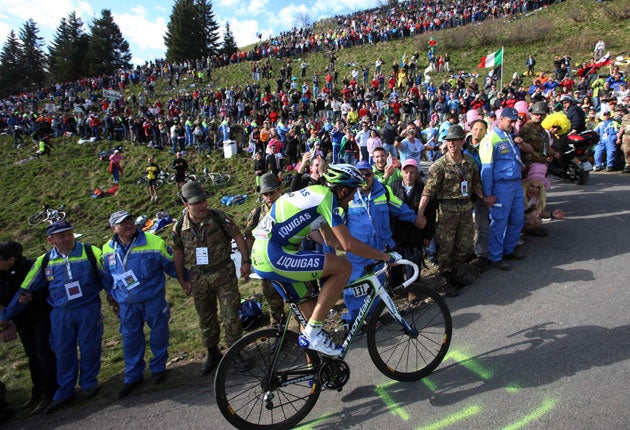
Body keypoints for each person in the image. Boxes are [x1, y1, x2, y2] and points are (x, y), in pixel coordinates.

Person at [250, 164, 412, 356]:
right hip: (274, 254)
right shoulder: (327, 199)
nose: (352, 200)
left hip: (264, 254)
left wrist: (368, 254)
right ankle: (313, 333)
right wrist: (385, 256)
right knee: (343, 268)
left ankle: (315, 375)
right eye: (352, 194)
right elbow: (348, 244)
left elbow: (331, 240)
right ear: (343, 190)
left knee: (309, 318)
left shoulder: (317, 195)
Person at [0, 221, 104, 414]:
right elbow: (26, 288)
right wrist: (6, 316)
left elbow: (108, 277)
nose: (66, 238)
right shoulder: (44, 261)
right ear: (51, 240)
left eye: (69, 234)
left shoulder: (91, 252)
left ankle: (89, 383)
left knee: (90, 346)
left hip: (87, 308)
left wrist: (115, 298)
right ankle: (65, 390)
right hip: (60, 313)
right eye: (61, 236)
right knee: (63, 351)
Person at [171, 182, 250, 375]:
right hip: (198, 279)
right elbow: (178, 252)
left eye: (204, 200)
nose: (203, 205)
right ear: (185, 204)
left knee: (230, 316)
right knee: (206, 319)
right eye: (197, 203)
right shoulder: (180, 226)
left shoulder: (218, 217)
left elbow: (238, 236)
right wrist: (182, 279)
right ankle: (213, 352)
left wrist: (245, 261)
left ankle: (235, 352)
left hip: (224, 274)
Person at [101, 211, 179, 399]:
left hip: (152, 298)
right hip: (126, 303)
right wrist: (111, 296)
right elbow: (106, 276)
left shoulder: (154, 242)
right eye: (122, 223)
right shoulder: (107, 249)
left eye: (129, 221)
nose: (128, 225)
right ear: (114, 229)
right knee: (130, 338)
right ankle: (133, 375)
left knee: (159, 332)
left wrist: (186, 281)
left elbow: (173, 266)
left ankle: (158, 368)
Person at [342, 160, 420, 323]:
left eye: (368, 174)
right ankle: (356, 320)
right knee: (355, 288)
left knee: (377, 286)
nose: (364, 177)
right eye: (360, 174)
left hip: (379, 250)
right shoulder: (348, 195)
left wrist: (417, 219)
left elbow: (399, 207)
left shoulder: (383, 190)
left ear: (373, 175)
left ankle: (373, 318)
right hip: (358, 253)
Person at [418, 125, 492, 295]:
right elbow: (428, 191)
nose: (451, 144)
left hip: (466, 209)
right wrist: (420, 213)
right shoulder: (439, 165)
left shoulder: (469, 162)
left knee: (465, 245)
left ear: (461, 141)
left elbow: (475, 184)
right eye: (449, 140)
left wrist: (484, 197)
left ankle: (457, 273)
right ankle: (445, 280)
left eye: (455, 140)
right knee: (445, 248)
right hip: (447, 211)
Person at [0, 241, 57, 415]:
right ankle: (38, 390)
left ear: (10, 259)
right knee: (32, 355)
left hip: (39, 317)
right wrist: (8, 323)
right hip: (21, 321)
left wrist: (33, 298)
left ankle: (51, 392)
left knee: (43, 352)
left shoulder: (33, 266)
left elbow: (49, 290)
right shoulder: (1, 274)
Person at [479, 107, 526, 271]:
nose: (512, 124)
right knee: (499, 222)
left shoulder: (510, 137)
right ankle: (495, 256)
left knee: (518, 218)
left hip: (515, 184)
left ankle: (508, 250)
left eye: (514, 121)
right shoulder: (490, 139)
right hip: (501, 186)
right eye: (509, 121)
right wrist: (489, 193)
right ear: (501, 119)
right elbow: (486, 169)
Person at [243, 174, 286, 325]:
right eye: (265, 194)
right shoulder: (256, 214)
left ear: (279, 190)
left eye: (272, 193)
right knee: (273, 299)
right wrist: (248, 260)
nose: (269, 197)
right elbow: (249, 237)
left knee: (301, 297)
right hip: (268, 263)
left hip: (290, 259)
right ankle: (278, 328)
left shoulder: (289, 207)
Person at [463, 119, 492, 268]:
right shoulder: (462, 146)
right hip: (464, 191)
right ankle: (467, 251)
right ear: (470, 129)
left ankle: (482, 253)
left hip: (482, 190)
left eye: (482, 129)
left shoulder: (488, 146)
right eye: (475, 128)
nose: (478, 132)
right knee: (465, 224)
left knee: (482, 223)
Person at [522, 165, 565, 237]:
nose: (534, 189)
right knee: (531, 221)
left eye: (538, 187)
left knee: (537, 221)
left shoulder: (535, 197)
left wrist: (552, 215)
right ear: (527, 185)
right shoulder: (519, 194)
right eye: (532, 186)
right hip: (509, 219)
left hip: (520, 217)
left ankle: (529, 230)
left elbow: (540, 213)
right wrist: (527, 216)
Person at [617, 105, 630, 173]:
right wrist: (618, 137)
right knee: (626, 151)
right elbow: (622, 127)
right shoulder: (626, 117)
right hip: (627, 136)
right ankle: (628, 165)